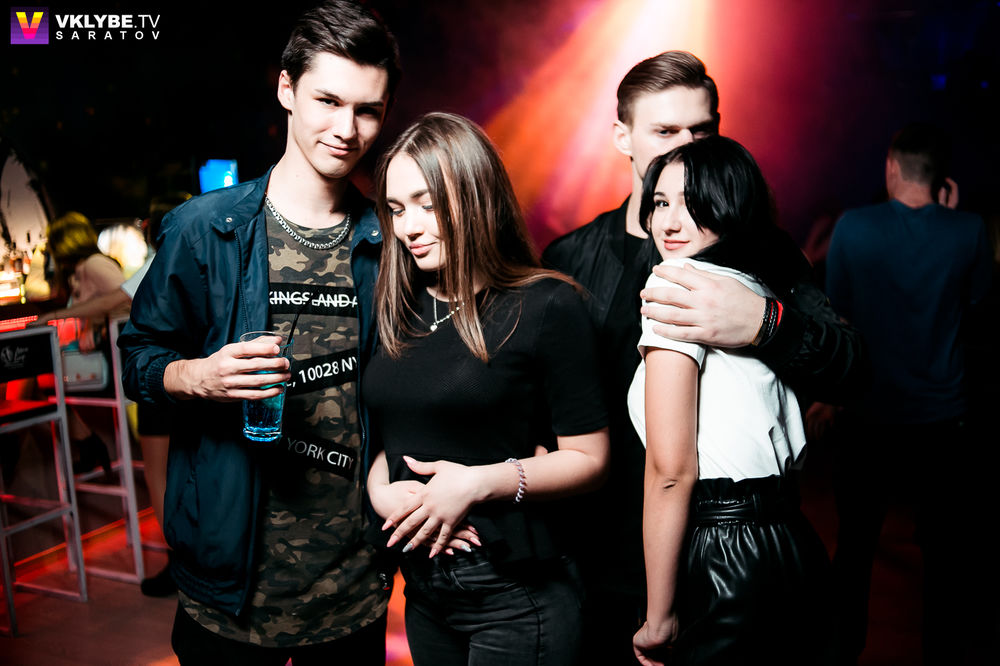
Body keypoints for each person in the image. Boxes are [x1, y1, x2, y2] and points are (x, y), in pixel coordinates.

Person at [541, 50, 863, 664]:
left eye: (702, 130)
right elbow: (539, 406)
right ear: (623, 137)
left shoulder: (767, 257)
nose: (686, 147)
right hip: (602, 567)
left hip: (729, 560)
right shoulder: (569, 260)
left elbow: (852, 369)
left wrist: (763, 323)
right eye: (665, 131)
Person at [118, 2, 401, 663]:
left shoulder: (391, 241)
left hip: (353, 587)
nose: (347, 129)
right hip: (227, 586)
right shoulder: (203, 229)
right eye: (328, 101)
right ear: (286, 89)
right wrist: (198, 375)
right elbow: (138, 360)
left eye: (368, 110)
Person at [362, 112, 610, 666]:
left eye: (428, 204)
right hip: (425, 593)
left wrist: (476, 485)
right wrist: (381, 492)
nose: (409, 227)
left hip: (516, 593)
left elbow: (591, 460)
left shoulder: (546, 305)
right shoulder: (397, 305)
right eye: (397, 209)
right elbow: (392, 433)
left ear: (475, 196)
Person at [629, 136, 833, 666]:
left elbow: (670, 472)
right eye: (661, 202)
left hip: (725, 549)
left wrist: (658, 617)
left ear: (730, 207)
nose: (670, 222)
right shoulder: (758, 290)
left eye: (693, 202)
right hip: (792, 541)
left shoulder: (677, 286)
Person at [825, 123, 993, 666]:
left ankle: (843, 653)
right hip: (943, 421)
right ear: (941, 179)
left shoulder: (853, 227)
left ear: (892, 167)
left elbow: (837, 314)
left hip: (868, 416)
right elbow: (977, 307)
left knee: (855, 548)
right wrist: (950, 218)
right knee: (944, 556)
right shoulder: (969, 230)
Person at [37, 194, 190, 596]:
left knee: (159, 473)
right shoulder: (205, 252)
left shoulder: (165, 257)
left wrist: (62, 316)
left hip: (161, 370)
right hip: (190, 371)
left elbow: (122, 299)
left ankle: (180, 562)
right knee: (186, 470)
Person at [43, 211, 125, 475]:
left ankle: (87, 442)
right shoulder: (81, 270)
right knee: (38, 384)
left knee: (39, 384)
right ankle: (87, 442)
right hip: (97, 359)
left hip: (111, 363)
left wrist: (97, 322)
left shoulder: (94, 264)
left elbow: (130, 299)